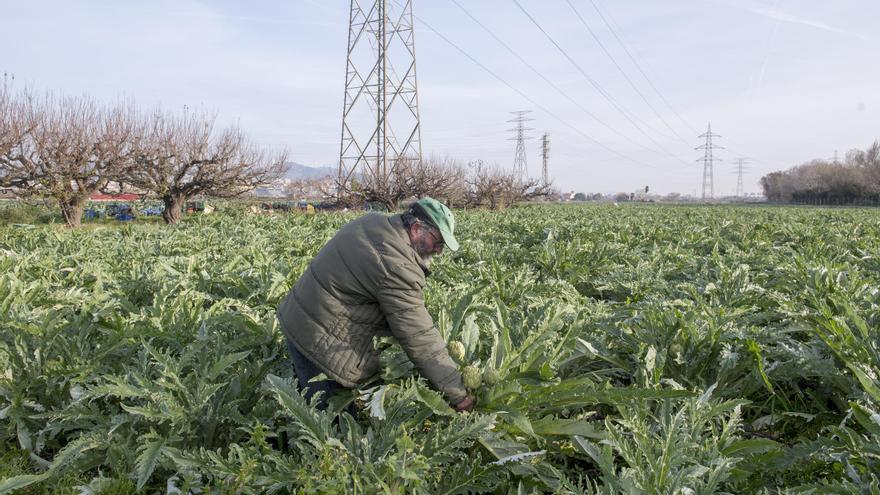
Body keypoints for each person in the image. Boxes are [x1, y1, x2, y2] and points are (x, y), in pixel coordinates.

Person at [276, 197, 475, 414]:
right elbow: (418, 335)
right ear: (417, 229)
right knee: (330, 427)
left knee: (303, 407)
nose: (439, 251)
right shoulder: (396, 265)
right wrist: (457, 392)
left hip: (301, 318)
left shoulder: (374, 223)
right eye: (438, 242)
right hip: (320, 344)